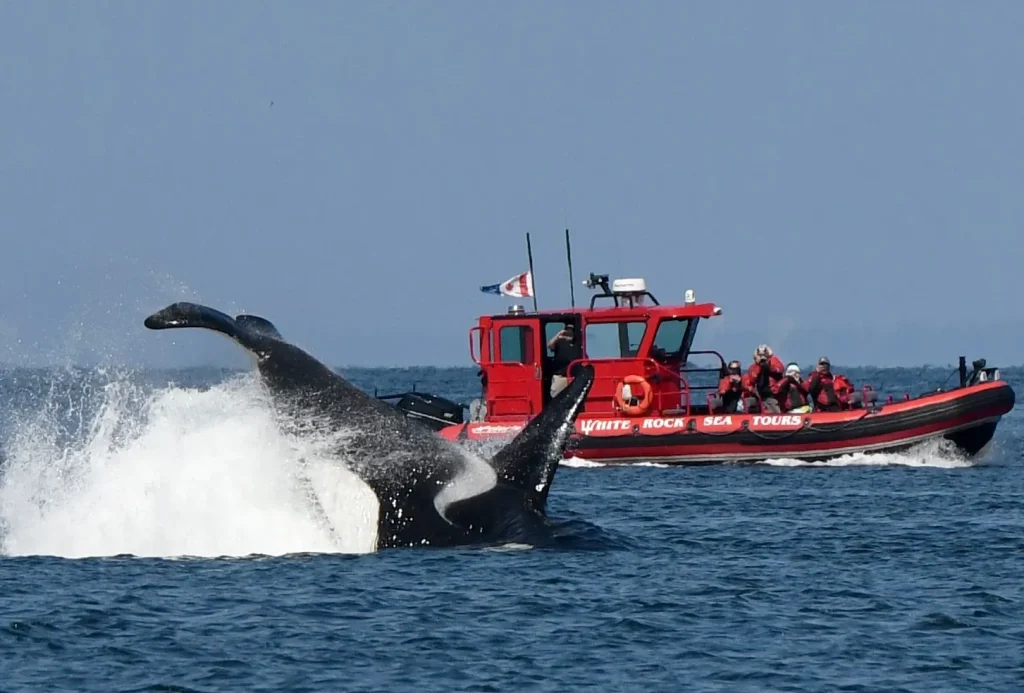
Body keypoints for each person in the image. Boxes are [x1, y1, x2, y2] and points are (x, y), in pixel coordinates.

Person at [745, 344, 785, 413]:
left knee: (774, 410)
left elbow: (780, 369)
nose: (762, 357)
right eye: (760, 355)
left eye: (764, 355)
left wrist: (770, 360)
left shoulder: (773, 362)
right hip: (758, 395)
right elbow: (752, 379)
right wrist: (759, 365)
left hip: (771, 394)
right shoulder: (753, 367)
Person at [547, 324, 577, 397]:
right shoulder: (559, 342)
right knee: (556, 397)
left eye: (571, 331)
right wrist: (558, 335)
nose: (569, 332)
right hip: (560, 376)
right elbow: (550, 345)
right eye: (567, 330)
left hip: (574, 377)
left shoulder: (578, 343)